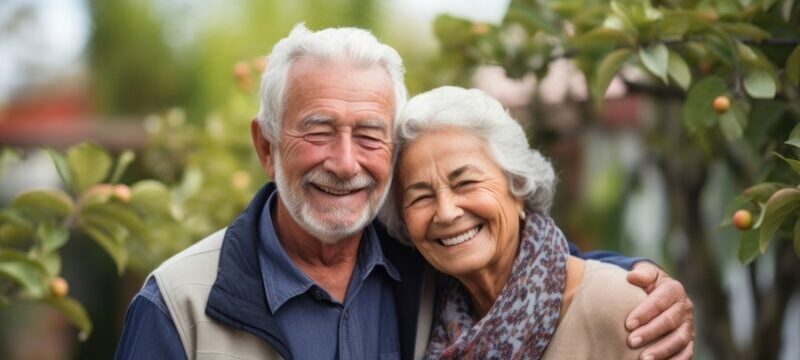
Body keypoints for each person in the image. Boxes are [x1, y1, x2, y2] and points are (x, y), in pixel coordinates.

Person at [115, 24, 694, 360]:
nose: (345, 164)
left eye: (369, 135)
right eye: (318, 132)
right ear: (266, 146)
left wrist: (634, 277)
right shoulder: (177, 307)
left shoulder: (423, 261)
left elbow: (524, 269)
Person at [381, 86, 679, 359]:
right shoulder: (422, 310)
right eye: (420, 197)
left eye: (466, 183)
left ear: (519, 186)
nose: (446, 212)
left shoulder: (621, 307)